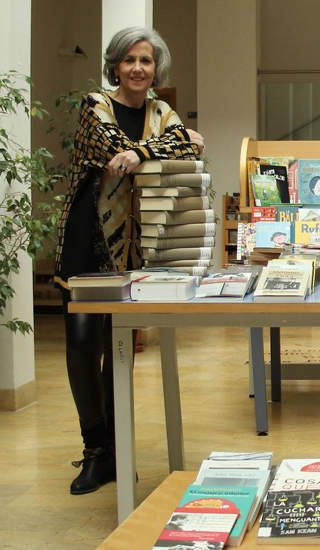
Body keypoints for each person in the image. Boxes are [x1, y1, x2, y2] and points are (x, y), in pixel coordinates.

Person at [53, 27, 204, 495]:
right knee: (82, 344)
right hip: (88, 234)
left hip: (134, 242)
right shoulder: (94, 106)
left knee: (119, 344)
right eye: (129, 60)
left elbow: (190, 147)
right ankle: (96, 451)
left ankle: (117, 451)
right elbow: (114, 151)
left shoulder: (161, 110)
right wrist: (157, 147)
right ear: (115, 65)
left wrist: (141, 152)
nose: (138, 68)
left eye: (146, 61)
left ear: (156, 68)